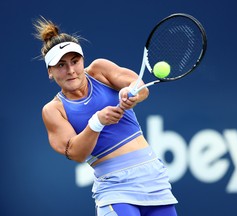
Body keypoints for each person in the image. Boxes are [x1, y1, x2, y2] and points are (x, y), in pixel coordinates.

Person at [33, 16, 178, 216]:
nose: (71, 70)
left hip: (155, 180)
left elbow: (140, 87)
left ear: (83, 60)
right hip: (115, 189)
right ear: (50, 71)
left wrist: (130, 95)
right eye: (61, 65)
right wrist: (97, 122)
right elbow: (76, 153)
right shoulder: (53, 110)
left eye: (75, 61)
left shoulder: (100, 70)